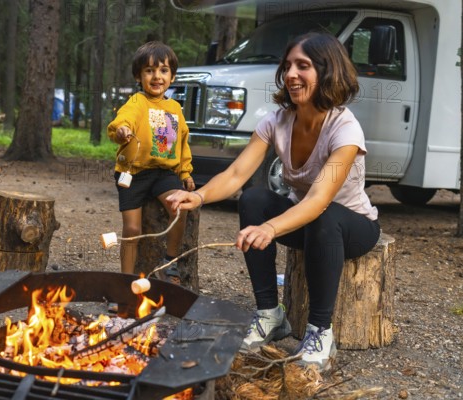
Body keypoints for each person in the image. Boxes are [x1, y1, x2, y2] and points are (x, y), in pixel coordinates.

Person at [167, 32, 380, 370]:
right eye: (289, 65)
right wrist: (199, 195)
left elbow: (319, 199)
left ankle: (319, 332)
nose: (291, 74)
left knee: (325, 217)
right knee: (253, 198)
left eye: (304, 66)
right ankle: (270, 314)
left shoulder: (345, 129)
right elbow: (238, 174)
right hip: (305, 221)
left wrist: (270, 228)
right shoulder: (277, 121)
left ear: (328, 72)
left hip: (353, 227)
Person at [107, 41, 195, 285]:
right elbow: (123, 121)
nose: (157, 76)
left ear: (172, 76)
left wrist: (185, 172)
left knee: (178, 209)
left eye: (164, 70)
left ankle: (171, 262)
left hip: (164, 173)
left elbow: (182, 142)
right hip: (132, 173)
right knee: (132, 230)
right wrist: (122, 130)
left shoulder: (174, 108)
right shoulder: (137, 102)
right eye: (149, 70)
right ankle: (125, 281)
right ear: (139, 75)